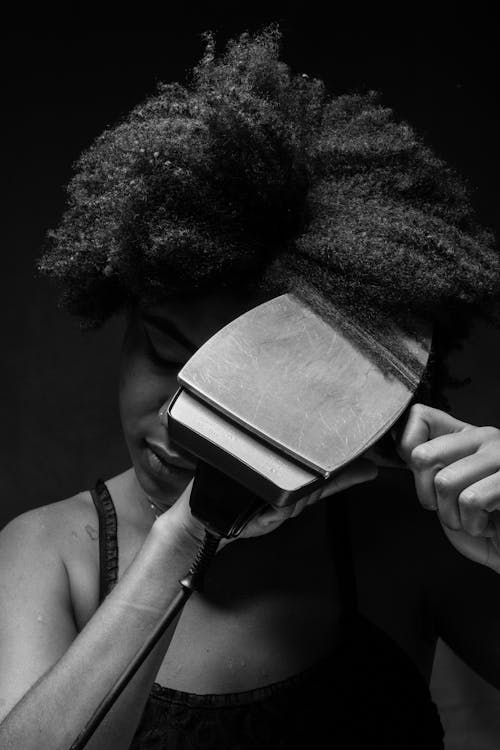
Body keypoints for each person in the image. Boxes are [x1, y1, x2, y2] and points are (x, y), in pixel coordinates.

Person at [1, 26, 499, 750]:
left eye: (243, 383)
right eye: (165, 353)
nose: (179, 416)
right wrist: (190, 532)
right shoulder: (51, 553)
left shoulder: (406, 534)